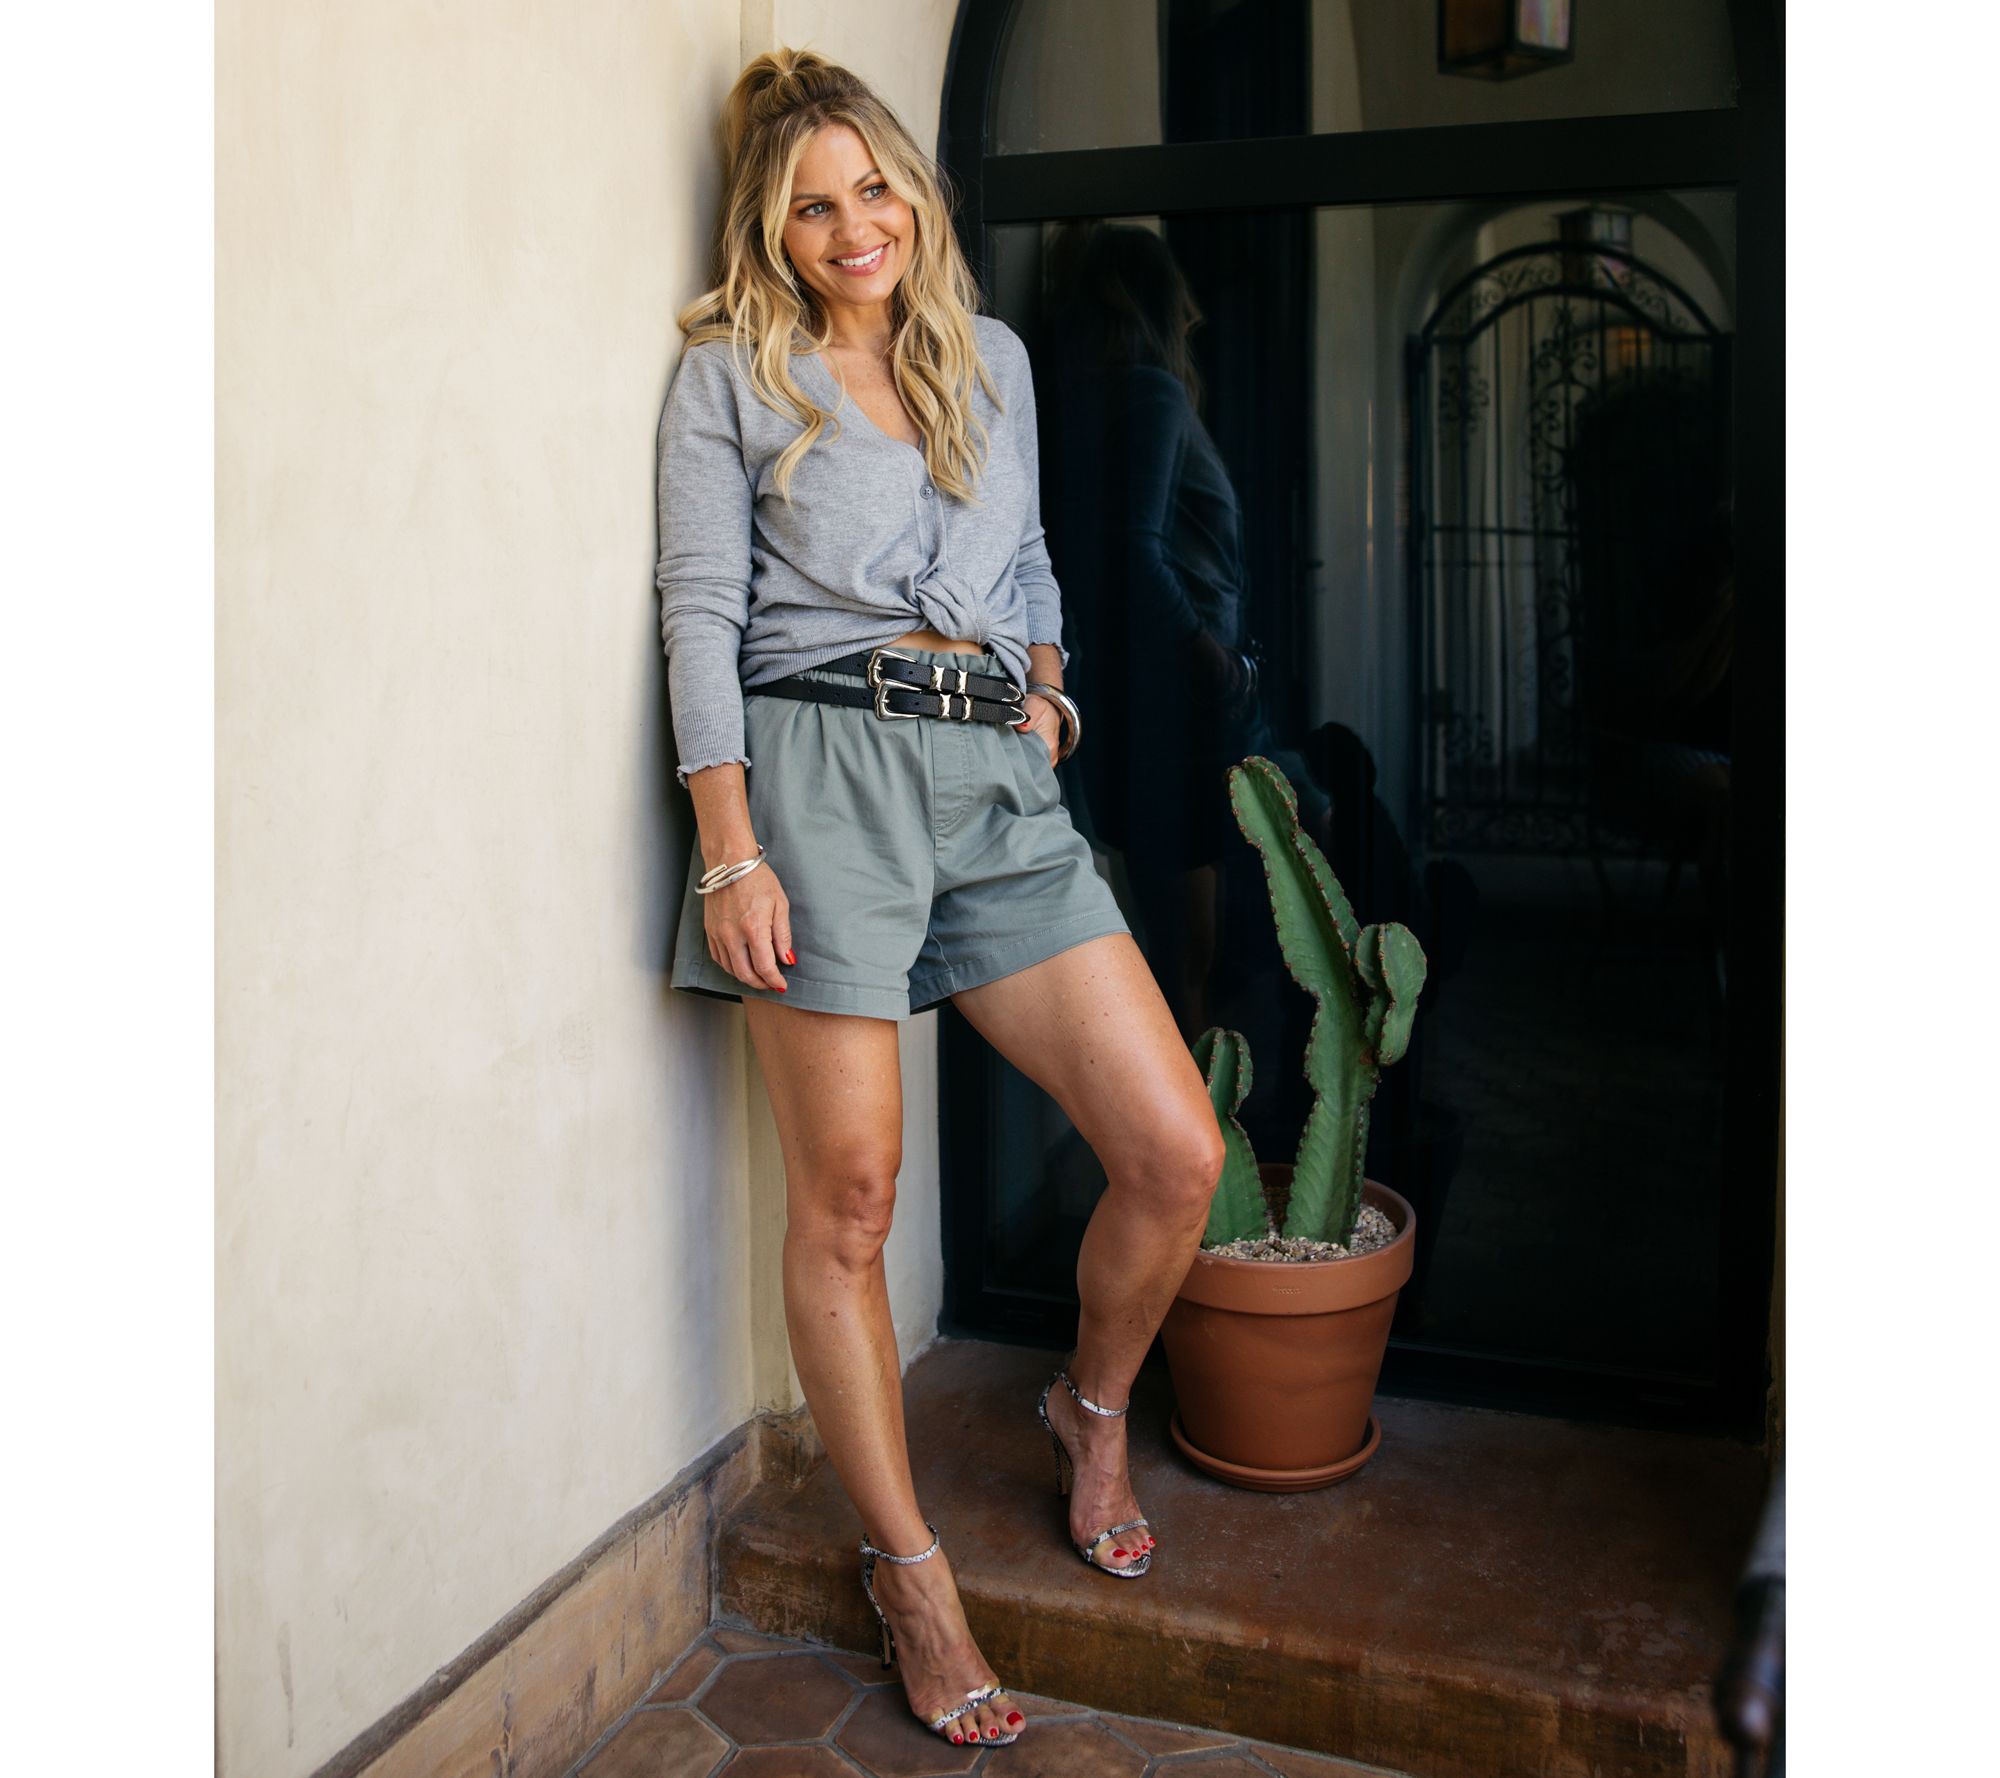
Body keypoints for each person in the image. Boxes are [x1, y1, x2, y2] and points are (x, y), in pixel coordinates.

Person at [653, 48, 1225, 1752]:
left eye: (873, 188)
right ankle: (911, 1575)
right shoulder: (731, 377)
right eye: (810, 206)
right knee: (851, 1202)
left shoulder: (994, 358)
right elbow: (699, 608)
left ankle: (1090, 1404)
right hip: (817, 774)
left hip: (995, 781)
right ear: (772, 230)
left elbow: (1030, 554)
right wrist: (730, 845)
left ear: (915, 193)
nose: (853, 227)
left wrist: (1047, 692)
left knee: (1175, 1151)